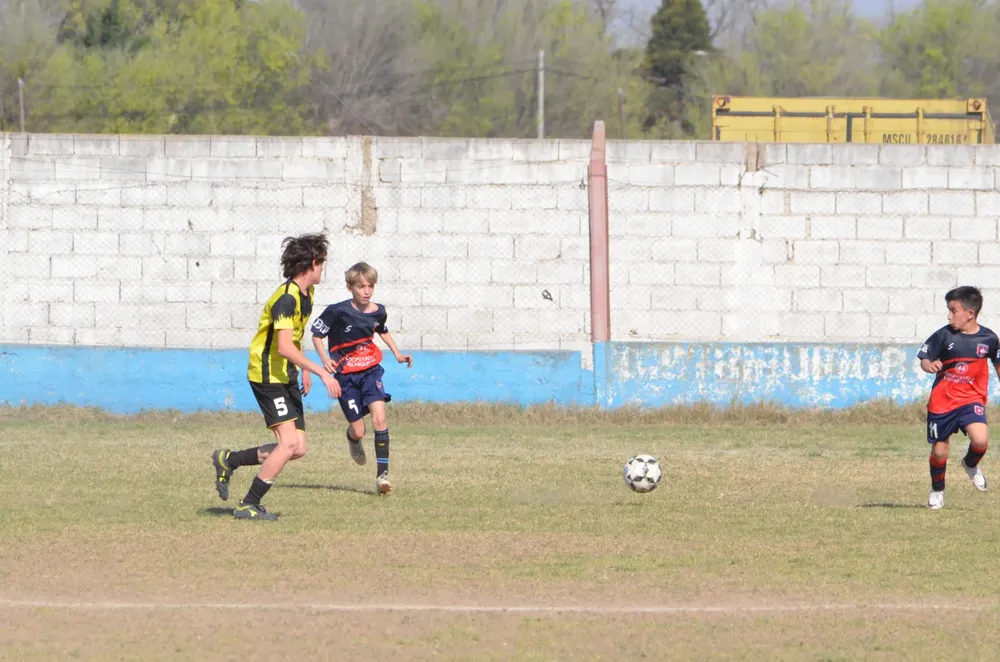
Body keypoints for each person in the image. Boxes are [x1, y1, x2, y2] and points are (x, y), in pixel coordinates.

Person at [211, 233, 341, 520]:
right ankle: (248, 504)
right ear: (313, 262)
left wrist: (305, 368)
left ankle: (229, 460)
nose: (323, 270)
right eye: (322, 263)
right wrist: (320, 370)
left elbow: (294, 337)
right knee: (289, 443)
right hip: (268, 376)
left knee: (298, 448)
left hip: (287, 375)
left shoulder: (307, 294)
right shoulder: (285, 299)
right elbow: (282, 346)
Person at [310, 261, 412, 495]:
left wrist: (397, 354)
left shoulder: (379, 310)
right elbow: (316, 335)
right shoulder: (337, 311)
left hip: (370, 371)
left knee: (379, 419)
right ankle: (352, 439)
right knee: (359, 431)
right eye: (361, 286)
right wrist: (325, 359)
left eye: (370, 286)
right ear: (350, 287)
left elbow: (382, 329)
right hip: (346, 377)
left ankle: (382, 477)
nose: (366, 291)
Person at [917, 285, 1000, 510]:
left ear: (970, 314)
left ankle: (970, 464)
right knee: (939, 451)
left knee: (981, 440)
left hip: (971, 399)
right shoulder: (944, 335)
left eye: (954, 310)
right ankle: (937, 491)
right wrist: (929, 366)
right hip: (942, 402)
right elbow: (924, 357)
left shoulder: (990, 338)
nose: (949, 315)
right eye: (949, 310)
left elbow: (997, 363)